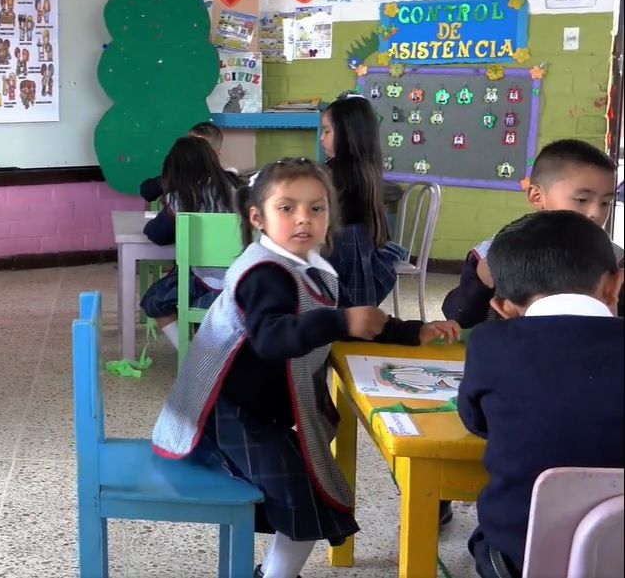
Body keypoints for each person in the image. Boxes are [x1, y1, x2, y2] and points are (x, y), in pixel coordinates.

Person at [150, 158, 459, 578]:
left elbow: (354, 320)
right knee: (302, 498)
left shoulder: (311, 268)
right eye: (287, 208)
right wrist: (341, 322)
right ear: (257, 218)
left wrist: (413, 331)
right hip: (222, 413)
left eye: (317, 208)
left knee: (310, 495)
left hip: (262, 412)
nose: (303, 218)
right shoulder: (263, 272)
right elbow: (272, 337)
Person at [458, 210, 624, 578]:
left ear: (502, 308)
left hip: (519, 559)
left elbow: (476, 421)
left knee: (485, 536)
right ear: (615, 286)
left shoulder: (488, 344)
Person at [443, 138, 622, 327]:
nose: (596, 212)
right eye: (582, 199)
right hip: (509, 345)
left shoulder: (616, 259)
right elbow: (458, 318)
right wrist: (481, 283)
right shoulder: (492, 253)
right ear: (537, 196)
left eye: (605, 203)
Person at [139, 136, 238, 337]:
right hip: (247, 276)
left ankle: (188, 351)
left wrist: (150, 226)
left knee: (154, 300)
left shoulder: (180, 197)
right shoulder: (237, 188)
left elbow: (159, 236)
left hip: (208, 281)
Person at [320, 94, 406, 307]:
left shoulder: (331, 172)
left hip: (340, 252)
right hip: (365, 250)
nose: (322, 138)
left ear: (348, 134)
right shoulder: (367, 167)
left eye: (327, 131)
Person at [139, 121, 234, 202]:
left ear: (216, 153)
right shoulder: (177, 177)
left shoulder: (227, 182)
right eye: (190, 147)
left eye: (202, 150)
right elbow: (147, 191)